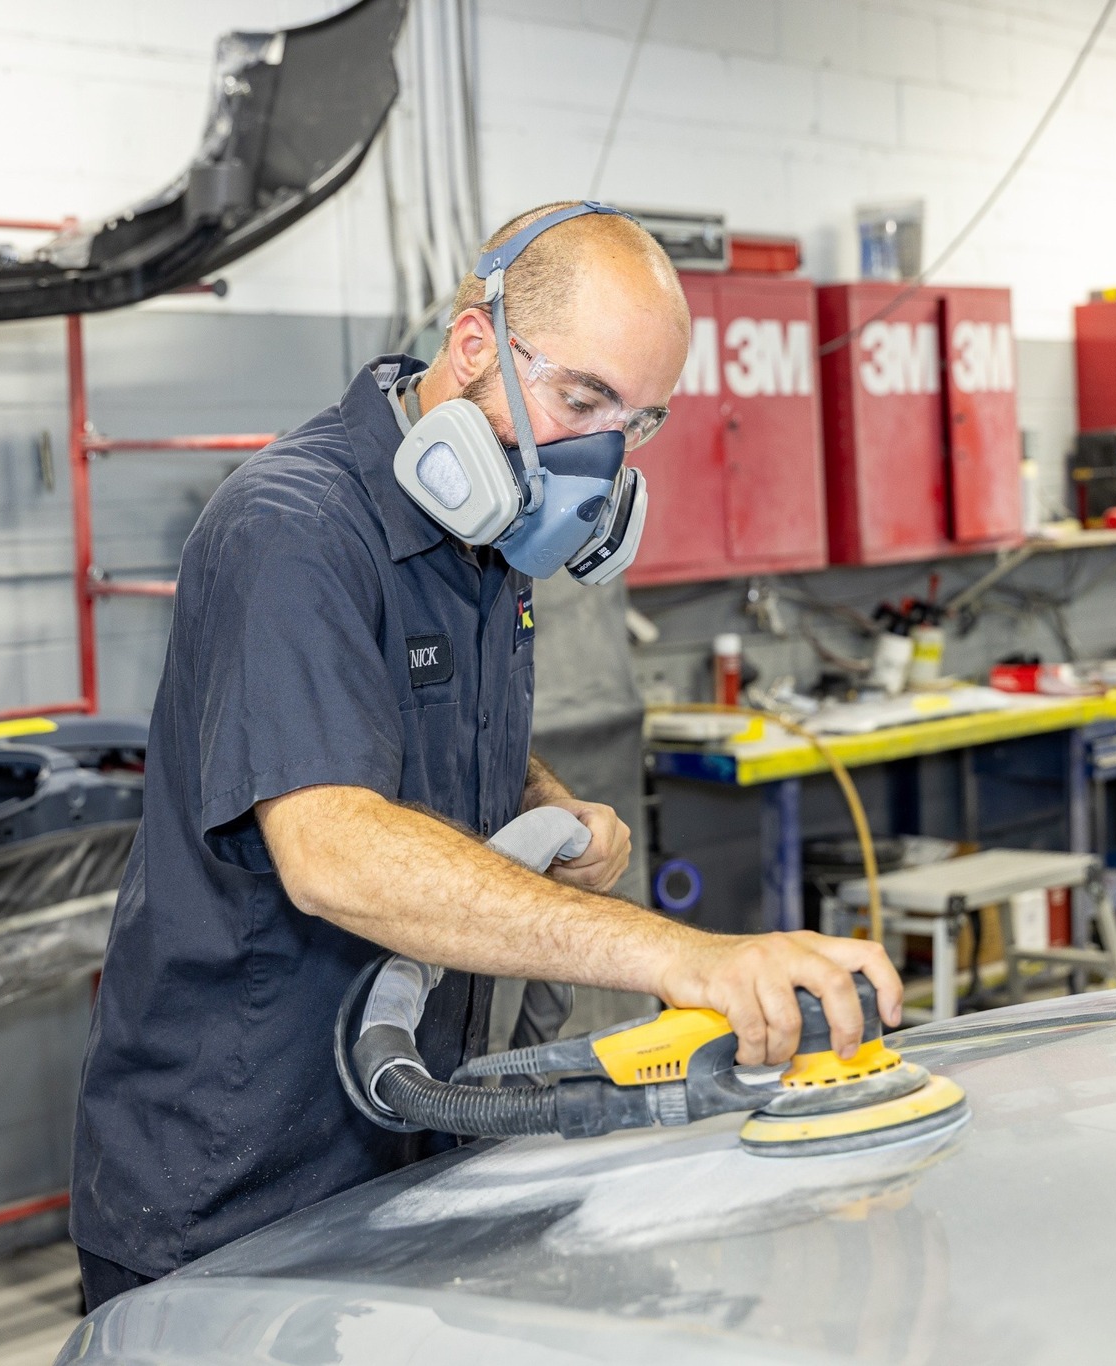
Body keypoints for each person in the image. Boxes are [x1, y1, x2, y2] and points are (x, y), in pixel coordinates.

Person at [69, 201, 904, 1309]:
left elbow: (427, 730)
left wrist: (548, 805)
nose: (602, 458)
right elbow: (332, 849)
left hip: (405, 1145)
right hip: (228, 1186)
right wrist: (680, 958)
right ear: (473, 349)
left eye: (639, 421)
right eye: (583, 399)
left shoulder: (486, 541)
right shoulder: (291, 528)